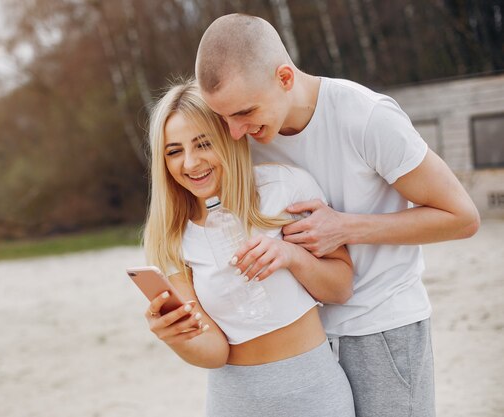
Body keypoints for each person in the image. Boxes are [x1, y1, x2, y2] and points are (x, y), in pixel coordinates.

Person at [195, 13, 481, 417]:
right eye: (223, 118)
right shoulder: (245, 136)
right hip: (306, 344)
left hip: (382, 328)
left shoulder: (366, 117)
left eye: (244, 112)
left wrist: (346, 227)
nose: (235, 131)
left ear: (285, 77)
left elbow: (462, 217)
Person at [142, 79, 355, 417]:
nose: (190, 163)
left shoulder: (285, 187)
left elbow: (341, 287)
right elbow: (214, 352)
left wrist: (290, 255)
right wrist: (174, 336)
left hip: (315, 393)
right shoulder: (174, 237)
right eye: (174, 151)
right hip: (234, 403)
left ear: (228, 137)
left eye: (203, 143)